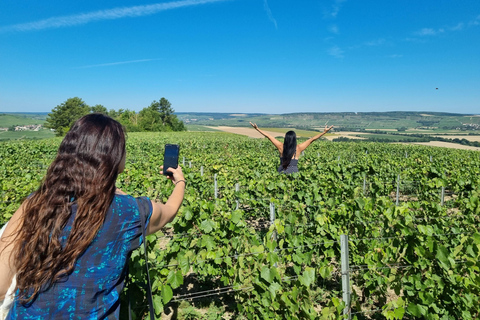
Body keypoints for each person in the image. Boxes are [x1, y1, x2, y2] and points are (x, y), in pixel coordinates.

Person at [0, 113, 185, 319]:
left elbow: (1, 284)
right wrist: (180, 182)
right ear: (114, 157)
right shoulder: (129, 212)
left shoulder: (35, 204)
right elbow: (169, 210)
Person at [250, 122, 334, 174]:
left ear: (286, 138)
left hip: (281, 173)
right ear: (294, 139)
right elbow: (312, 139)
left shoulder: (281, 147)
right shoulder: (298, 148)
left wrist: (257, 129)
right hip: (294, 174)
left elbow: (269, 136)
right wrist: (324, 132)